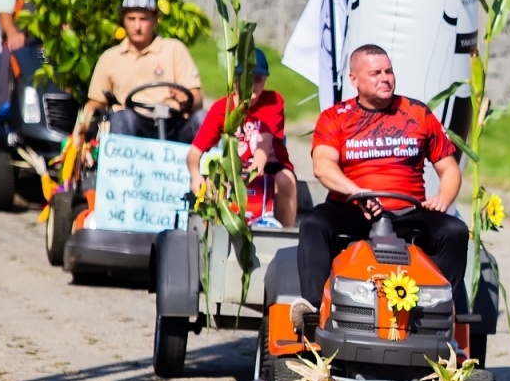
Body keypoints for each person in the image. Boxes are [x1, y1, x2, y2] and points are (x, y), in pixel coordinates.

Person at [292, 44, 467, 322]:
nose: (385, 78)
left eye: (389, 71)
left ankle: (442, 309)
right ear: (354, 79)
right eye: (375, 73)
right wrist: (357, 192)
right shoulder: (335, 117)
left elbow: (450, 169)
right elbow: (322, 167)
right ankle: (314, 310)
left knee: (455, 230)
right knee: (314, 223)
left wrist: (443, 199)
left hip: (408, 213)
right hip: (353, 211)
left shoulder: (417, 113)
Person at [188, 48, 298, 228]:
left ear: (265, 80)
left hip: (270, 165)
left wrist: (255, 168)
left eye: (258, 79)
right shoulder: (222, 109)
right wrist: (195, 175)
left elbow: (264, 142)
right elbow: (194, 152)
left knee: (285, 180)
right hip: (233, 166)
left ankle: (285, 234)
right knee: (210, 184)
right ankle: (215, 234)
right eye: (247, 78)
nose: (252, 85)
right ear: (235, 80)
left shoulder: (273, 101)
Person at [82, 0, 204, 143]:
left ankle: (210, 159)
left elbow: (197, 99)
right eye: (131, 19)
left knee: (203, 119)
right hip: (132, 126)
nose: (137, 26)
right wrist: (84, 126)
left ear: (156, 19)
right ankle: (122, 159)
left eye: (143, 19)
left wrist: (188, 100)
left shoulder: (174, 49)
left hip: (173, 125)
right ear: (123, 19)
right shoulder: (110, 58)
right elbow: (96, 101)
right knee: (122, 118)